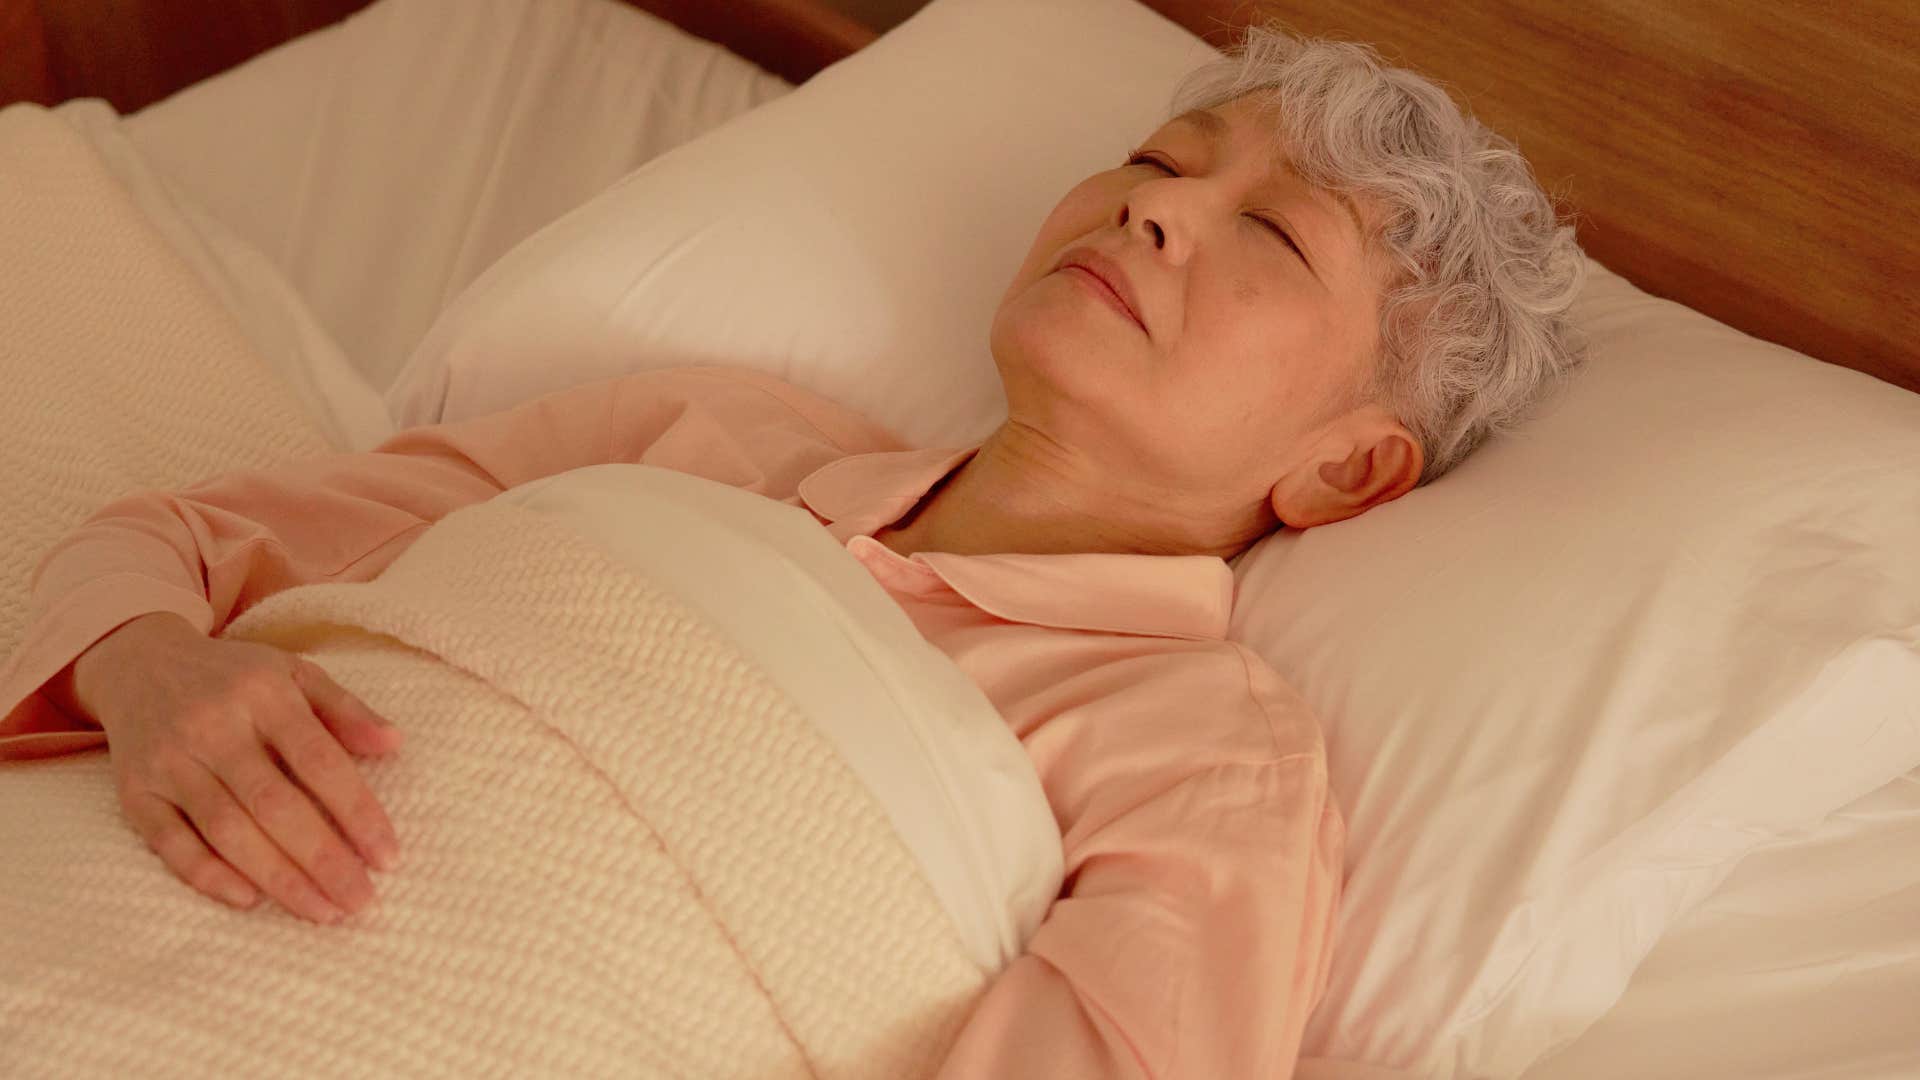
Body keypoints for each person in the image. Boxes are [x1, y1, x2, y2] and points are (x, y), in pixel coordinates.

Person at [0, 25, 1584, 1079]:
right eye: (1164, 164)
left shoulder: (1200, 753)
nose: (1150, 215)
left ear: (1349, 469)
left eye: (1273, 233)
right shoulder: (717, 435)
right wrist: (148, 673)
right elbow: (183, 542)